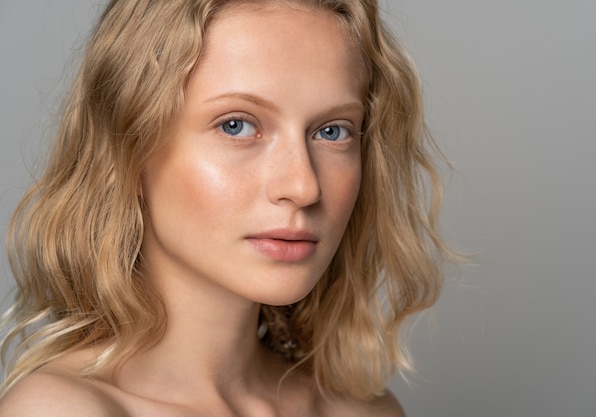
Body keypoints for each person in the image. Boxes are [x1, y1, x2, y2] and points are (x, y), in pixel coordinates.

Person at [0, 0, 450, 415]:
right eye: (236, 125)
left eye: (333, 131)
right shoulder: (59, 409)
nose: (303, 186)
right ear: (126, 152)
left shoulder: (364, 411)